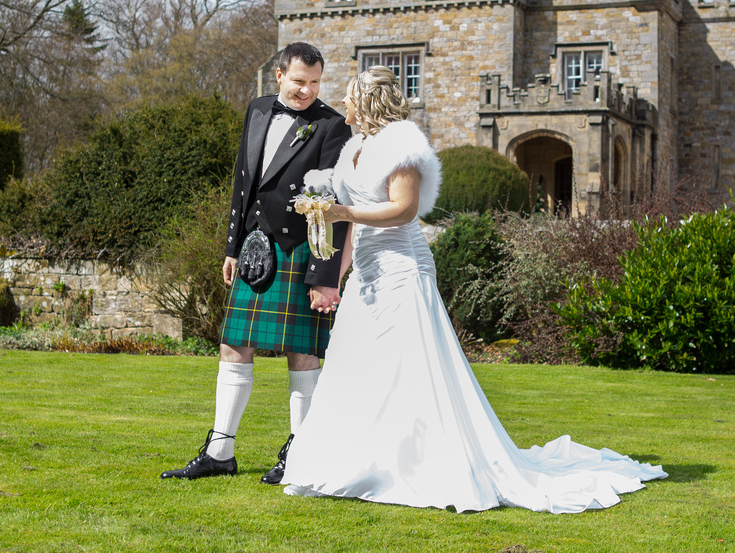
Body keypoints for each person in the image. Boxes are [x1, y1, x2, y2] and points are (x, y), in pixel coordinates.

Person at [280, 67, 666, 512]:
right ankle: (361, 460)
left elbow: (404, 210)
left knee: (410, 362)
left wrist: (343, 210)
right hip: (367, 269)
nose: (342, 104)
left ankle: (419, 464)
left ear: (367, 100)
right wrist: (334, 276)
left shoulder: (402, 144)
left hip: (403, 267)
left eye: (349, 97)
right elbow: (349, 228)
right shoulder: (352, 150)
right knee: (358, 362)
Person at [161, 42, 352, 484]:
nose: (307, 90)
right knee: (234, 344)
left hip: (300, 248)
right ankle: (219, 451)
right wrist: (232, 246)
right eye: (299, 81)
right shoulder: (258, 110)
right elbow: (241, 183)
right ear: (280, 75)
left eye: (315, 82)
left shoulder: (331, 126)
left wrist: (324, 277)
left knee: (302, 353)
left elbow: (331, 206)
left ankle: (300, 451)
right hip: (255, 248)